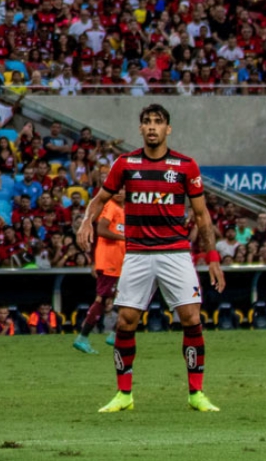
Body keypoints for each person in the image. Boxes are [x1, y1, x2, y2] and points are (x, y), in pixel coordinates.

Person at [77, 104, 226, 413]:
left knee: (192, 319)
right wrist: (84, 222)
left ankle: (196, 393)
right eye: (147, 122)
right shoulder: (125, 163)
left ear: (168, 129)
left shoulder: (185, 166)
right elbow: (100, 199)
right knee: (125, 323)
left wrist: (212, 257)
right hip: (138, 254)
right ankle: (124, 394)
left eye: (158, 122)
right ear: (141, 129)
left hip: (176, 253)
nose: (153, 127)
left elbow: (202, 215)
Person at [74, 189, 125, 354]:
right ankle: (83, 337)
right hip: (109, 260)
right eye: (116, 190)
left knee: (128, 296)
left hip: (120, 260)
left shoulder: (124, 209)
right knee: (102, 299)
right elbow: (101, 230)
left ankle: (115, 334)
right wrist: (124, 237)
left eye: (123, 190)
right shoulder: (110, 206)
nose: (119, 193)